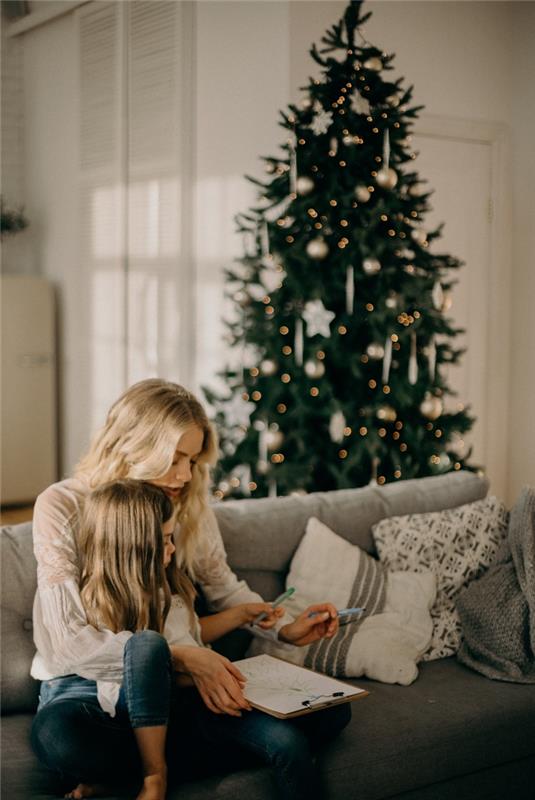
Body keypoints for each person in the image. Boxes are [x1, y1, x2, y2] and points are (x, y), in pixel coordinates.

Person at [30, 379, 350, 798]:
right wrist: (181, 659)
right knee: (62, 740)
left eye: (193, 461)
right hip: (85, 685)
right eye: (174, 458)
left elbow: (224, 588)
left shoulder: (184, 504)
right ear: (132, 445)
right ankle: (151, 761)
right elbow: (69, 645)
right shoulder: (62, 506)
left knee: (330, 713)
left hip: (177, 692)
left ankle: (134, 767)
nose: (184, 476)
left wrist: (283, 628)